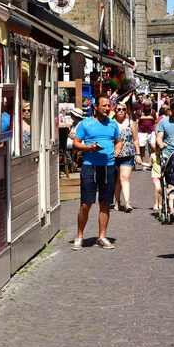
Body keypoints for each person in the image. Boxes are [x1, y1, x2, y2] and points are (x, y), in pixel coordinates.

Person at [72, 94, 122, 251]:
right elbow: (75, 144)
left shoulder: (113, 124)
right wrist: (89, 148)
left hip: (108, 166)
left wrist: (118, 149)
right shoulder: (85, 124)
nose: (107, 109)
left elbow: (118, 141)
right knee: (86, 204)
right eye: (104, 106)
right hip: (90, 166)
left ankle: (102, 236)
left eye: (109, 106)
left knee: (105, 204)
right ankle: (79, 236)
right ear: (96, 106)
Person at [113, 102, 141, 212]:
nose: (121, 111)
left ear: (126, 111)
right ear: (115, 111)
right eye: (118, 109)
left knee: (125, 178)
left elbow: (135, 139)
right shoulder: (111, 123)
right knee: (117, 180)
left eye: (123, 109)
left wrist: (138, 154)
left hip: (128, 153)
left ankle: (127, 202)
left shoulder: (131, 122)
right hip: (114, 154)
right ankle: (117, 201)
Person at [137, 98, 157, 170]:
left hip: (151, 131)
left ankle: (152, 163)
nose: (147, 108)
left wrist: (156, 131)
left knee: (153, 147)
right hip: (142, 132)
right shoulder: (139, 112)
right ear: (143, 105)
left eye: (149, 106)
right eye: (146, 106)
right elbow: (137, 122)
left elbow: (155, 122)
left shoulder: (153, 112)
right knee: (142, 148)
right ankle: (144, 164)